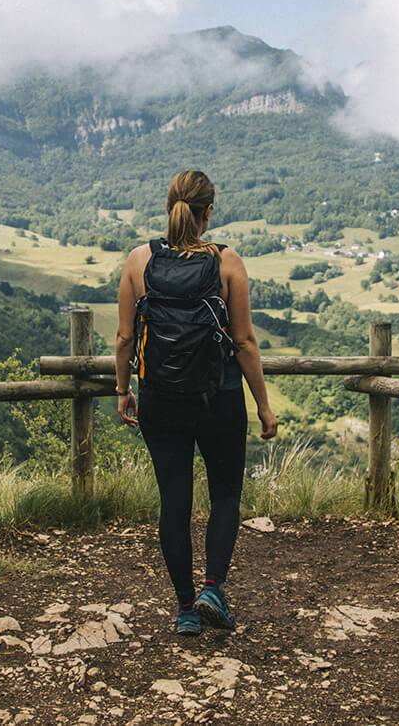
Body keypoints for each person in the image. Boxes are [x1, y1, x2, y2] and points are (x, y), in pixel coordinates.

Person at [114, 169, 278, 636]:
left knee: (174, 503)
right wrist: (264, 406)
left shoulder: (138, 261)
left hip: (160, 401)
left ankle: (186, 609)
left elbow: (125, 337)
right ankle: (212, 588)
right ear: (208, 213)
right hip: (219, 398)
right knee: (225, 494)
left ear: (169, 207)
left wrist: (124, 390)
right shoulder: (228, 264)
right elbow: (245, 342)